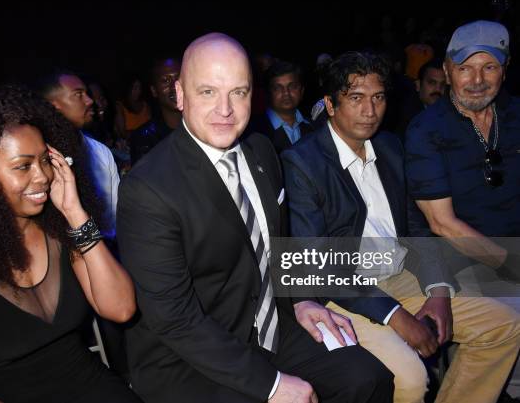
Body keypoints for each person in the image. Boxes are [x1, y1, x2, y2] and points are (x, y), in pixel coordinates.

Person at [117, 32, 394, 403]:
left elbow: (276, 245)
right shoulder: (148, 188)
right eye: (207, 92)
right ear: (180, 94)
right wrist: (273, 384)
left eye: (239, 92)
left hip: (271, 325)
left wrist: (300, 300)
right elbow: (175, 319)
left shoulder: (262, 151)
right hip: (191, 354)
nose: (225, 109)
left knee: (367, 378)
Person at [281, 51, 520, 403]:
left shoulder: (390, 146)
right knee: (407, 379)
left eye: (378, 98)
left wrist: (438, 290)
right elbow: (320, 265)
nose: (369, 110)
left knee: (502, 325)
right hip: (344, 293)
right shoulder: (302, 162)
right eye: (356, 98)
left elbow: (417, 230)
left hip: (398, 275)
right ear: (331, 105)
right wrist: (395, 316)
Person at [0, 86, 141, 403]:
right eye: (23, 165)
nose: (43, 176)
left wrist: (75, 215)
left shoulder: (60, 233)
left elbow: (121, 309)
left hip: (93, 387)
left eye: (45, 160)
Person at [405, 20, 520, 401]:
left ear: (505, 69)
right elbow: (442, 223)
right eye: (466, 67)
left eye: (489, 67)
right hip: (461, 262)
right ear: (449, 69)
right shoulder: (426, 130)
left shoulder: (515, 114)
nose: (477, 80)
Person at [37, 70, 121, 243]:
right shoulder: (38, 159)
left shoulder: (100, 152)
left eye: (87, 94)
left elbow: (116, 216)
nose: (90, 101)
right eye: (78, 94)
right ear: (53, 106)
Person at [247, 61, 314, 155]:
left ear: (302, 91)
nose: (286, 93)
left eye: (292, 87)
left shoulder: (314, 127)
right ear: (268, 93)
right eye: (277, 88)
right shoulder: (254, 131)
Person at [130, 56, 181, 165]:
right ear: (154, 91)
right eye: (166, 80)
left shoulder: (205, 129)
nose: (175, 86)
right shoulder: (144, 139)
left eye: (179, 78)